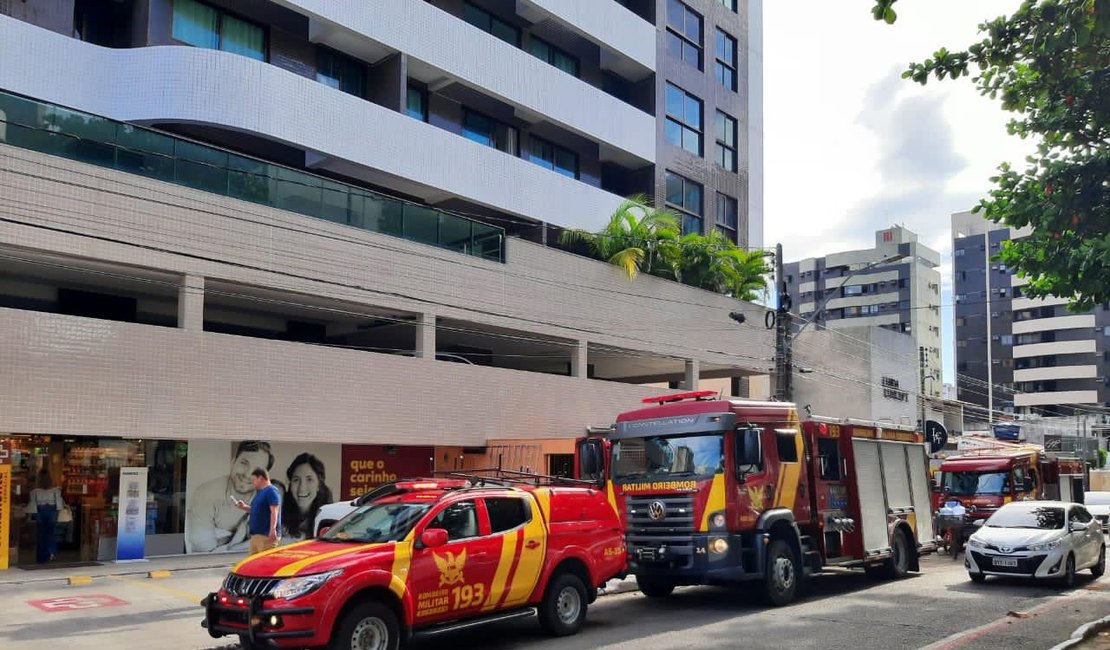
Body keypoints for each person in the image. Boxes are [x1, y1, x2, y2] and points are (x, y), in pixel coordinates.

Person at [185, 441, 274, 553]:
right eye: (244, 463)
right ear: (233, 462)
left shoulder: (267, 499)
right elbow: (202, 547)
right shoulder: (206, 492)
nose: (247, 474)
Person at [281, 453, 333, 541]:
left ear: (319, 485)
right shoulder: (279, 515)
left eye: (309, 479)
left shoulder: (329, 519)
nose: (302, 487)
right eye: (296, 480)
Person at [232, 467, 281, 555]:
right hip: (256, 535)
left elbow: (275, 511)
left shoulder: (271, 491)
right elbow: (256, 511)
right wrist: (243, 507)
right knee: (253, 563)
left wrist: (272, 530)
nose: (252, 482)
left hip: (266, 535)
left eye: (254, 479)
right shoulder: (260, 493)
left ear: (261, 478)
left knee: (265, 562)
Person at [28, 471, 65, 563]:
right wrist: (58, 512)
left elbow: (32, 504)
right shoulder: (56, 490)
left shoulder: (34, 491)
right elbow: (59, 504)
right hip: (52, 510)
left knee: (41, 534)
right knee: (51, 533)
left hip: (40, 511)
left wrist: (32, 515)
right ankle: (52, 551)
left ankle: (42, 557)